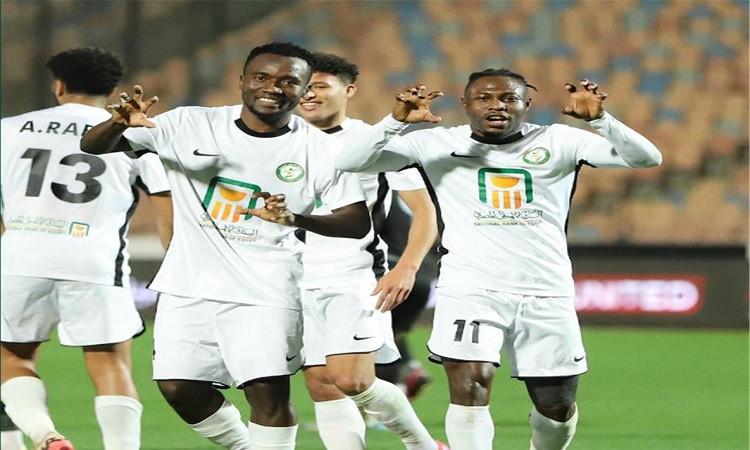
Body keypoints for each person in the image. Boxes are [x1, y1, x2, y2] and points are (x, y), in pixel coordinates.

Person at [335, 69, 663, 450]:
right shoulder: (435, 143)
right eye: (485, 98)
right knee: (470, 386)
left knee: (556, 407)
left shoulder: (559, 140)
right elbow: (350, 162)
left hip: (545, 291)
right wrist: (395, 122)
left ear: (527, 104)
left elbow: (647, 159)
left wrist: (601, 120)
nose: (497, 106)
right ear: (465, 104)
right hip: (469, 288)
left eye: (509, 98)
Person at [80, 42, 373, 450]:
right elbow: (92, 146)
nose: (272, 87)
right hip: (188, 285)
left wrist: (296, 219)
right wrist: (116, 123)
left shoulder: (321, 149)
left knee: (267, 393)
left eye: (288, 81)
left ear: (304, 89)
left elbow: (357, 222)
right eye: (261, 77)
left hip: (266, 290)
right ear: (242, 81)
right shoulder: (189, 124)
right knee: (179, 387)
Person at [0, 47, 173, 450]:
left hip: (20, 258)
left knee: (12, 357)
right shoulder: (135, 135)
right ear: (111, 90)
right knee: (110, 362)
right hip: (94, 262)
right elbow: (164, 202)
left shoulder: (8, 129)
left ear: (58, 85)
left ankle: (44, 434)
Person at [296, 53, 444, 450]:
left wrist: (407, 267)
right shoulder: (280, 139)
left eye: (320, 86)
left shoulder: (377, 141)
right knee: (321, 383)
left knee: (352, 379)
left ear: (349, 90)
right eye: (304, 86)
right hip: (293, 277)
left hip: (354, 275)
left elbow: (425, 211)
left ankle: (423, 445)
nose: (309, 95)